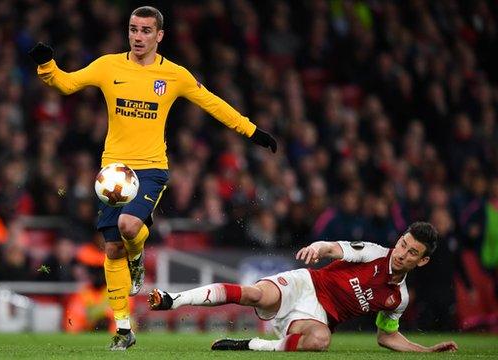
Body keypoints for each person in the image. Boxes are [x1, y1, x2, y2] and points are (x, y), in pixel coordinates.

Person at [28, 6, 277, 350]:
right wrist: (46, 66)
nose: (138, 36)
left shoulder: (174, 75)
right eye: (133, 29)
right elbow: (66, 84)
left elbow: (212, 103)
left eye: (146, 31)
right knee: (112, 247)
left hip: (150, 168)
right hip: (113, 171)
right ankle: (124, 329)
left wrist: (251, 130)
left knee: (130, 228)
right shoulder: (108, 66)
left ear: (159, 36)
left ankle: (138, 254)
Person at [149, 222, 459, 352]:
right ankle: (172, 299)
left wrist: (426, 350)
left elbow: (386, 335)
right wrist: (316, 247)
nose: (402, 253)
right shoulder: (374, 252)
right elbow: (334, 248)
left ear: (422, 262)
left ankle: (251, 345)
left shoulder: (397, 298)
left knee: (321, 341)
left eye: (412, 253)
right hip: (305, 284)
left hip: (318, 318)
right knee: (254, 294)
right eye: (403, 244)